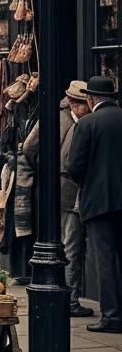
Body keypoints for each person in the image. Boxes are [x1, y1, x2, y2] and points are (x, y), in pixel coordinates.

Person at [23, 80, 92, 317]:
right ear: (73, 103)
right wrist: (46, 169)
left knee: (70, 243)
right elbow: (29, 147)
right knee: (70, 243)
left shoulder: (84, 121)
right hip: (64, 190)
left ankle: (69, 294)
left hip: (75, 190)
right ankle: (70, 298)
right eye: (84, 103)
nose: (88, 107)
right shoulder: (56, 119)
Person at [68, 76, 122, 333]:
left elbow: (75, 167)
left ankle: (112, 316)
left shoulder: (88, 123)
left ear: (90, 98)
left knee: (105, 259)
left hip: (99, 202)